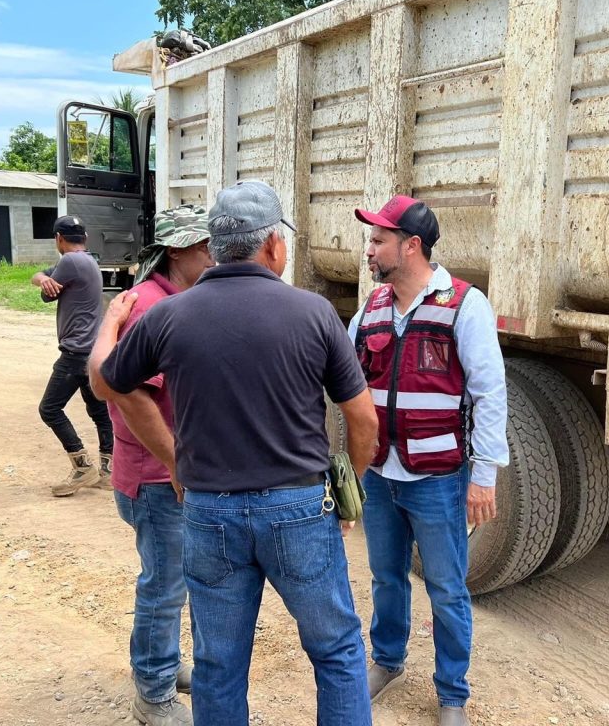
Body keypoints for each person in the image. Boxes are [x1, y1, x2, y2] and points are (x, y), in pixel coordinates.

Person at [90, 180, 379, 726]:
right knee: (337, 652)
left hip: (208, 511)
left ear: (218, 246)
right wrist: (350, 488)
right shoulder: (313, 312)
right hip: (299, 511)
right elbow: (363, 419)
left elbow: (109, 384)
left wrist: (173, 458)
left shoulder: (168, 315)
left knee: (218, 665)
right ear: (271, 244)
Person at [348, 195, 509, 726]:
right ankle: (387, 661)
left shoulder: (465, 304)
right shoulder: (372, 307)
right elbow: (342, 372)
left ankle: (452, 695)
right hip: (381, 475)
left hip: (437, 479)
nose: (369, 250)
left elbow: (490, 394)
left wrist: (483, 476)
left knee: (446, 589)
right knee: (385, 577)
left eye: (378, 240)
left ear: (411, 246)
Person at [90, 206, 214, 726]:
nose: (216, 256)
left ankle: (164, 662)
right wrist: (175, 460)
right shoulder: (149, 307)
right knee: (164, 589)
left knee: (175, 583)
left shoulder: (172, 300)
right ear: (178, 252)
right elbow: (126, 394)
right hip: (159, 479)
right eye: (207, 247)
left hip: (168, 476)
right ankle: (153, 691)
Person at [32, 215, 114, 497]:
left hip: (75, 353)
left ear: (58, 239)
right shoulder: (87, 260)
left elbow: (46, 296)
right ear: (85, 238)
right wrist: (43, 278)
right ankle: (109, 472)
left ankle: (82, 466)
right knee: (99, 412)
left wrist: (45, 281)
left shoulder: (69, 262)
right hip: (92, 350)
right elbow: (40, 275)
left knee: (49, 409)